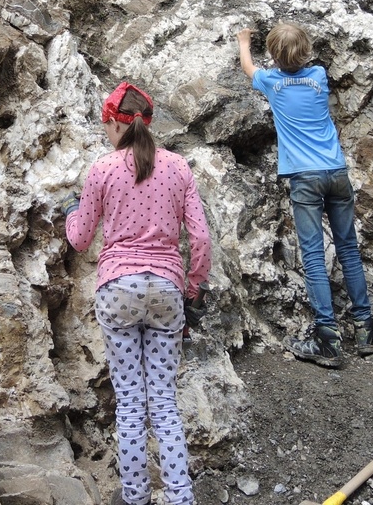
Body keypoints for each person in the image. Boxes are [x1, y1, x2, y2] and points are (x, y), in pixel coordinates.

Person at [63, 82, 212, 505]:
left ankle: (135, 497)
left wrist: (72, 211)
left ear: (114, 123)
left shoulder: (102, 170)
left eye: (105, 123)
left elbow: (78, 240)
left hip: (117, 288)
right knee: (163, 403)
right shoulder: (178, 167)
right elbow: (199, 238)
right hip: (166, 288)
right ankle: (181, 496)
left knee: (130, 404)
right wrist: (193, 286)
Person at [237, 23, 373, 368]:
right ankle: (366, 329)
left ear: (274, 56)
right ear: (307, 51)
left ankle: (328, 338)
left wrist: (244, 42)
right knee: (348, 248)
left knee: (313, 255)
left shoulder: (272, 82)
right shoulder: (319, 76)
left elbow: (249, 68)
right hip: (336, 171)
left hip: (304, 177)